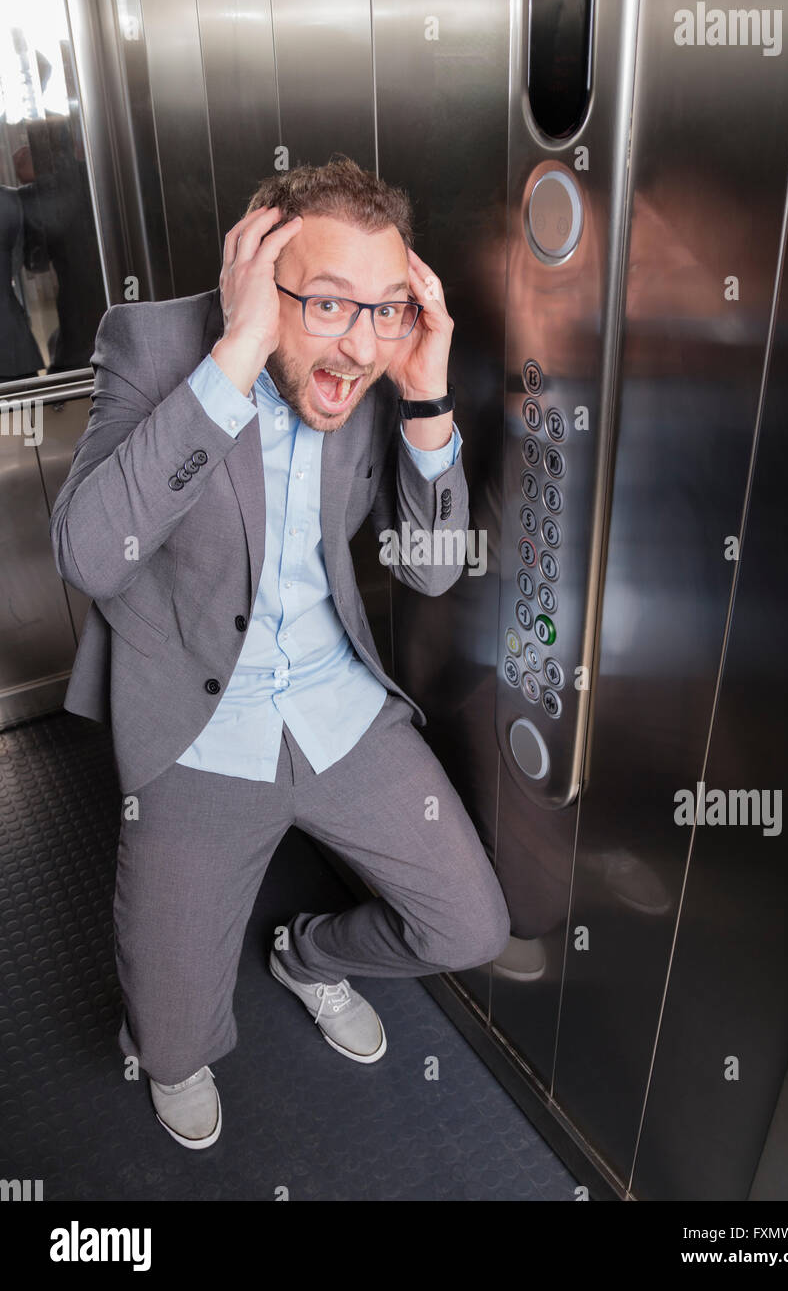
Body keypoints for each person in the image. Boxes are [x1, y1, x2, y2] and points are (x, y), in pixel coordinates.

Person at [49, 156, 511, 1150]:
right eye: (329, 303)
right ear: (257, 270)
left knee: (468, 929)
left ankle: (305, 955)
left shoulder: (380, 364)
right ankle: (174, 1043)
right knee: (168, 1049)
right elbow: (89, 552)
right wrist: (240, 350)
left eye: (386, 308)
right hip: (197, 726)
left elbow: (429, 572)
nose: (360, 339)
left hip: (338, 707)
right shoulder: (151, 341)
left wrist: (426, 396)